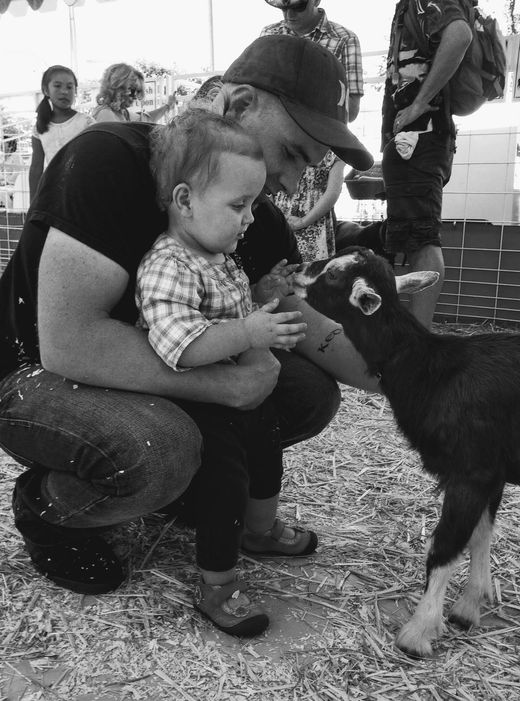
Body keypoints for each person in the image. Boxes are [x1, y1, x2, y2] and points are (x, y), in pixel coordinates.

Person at [0, 34, 375, 627]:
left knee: (306, 392)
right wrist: (223, 387)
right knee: (165, 445)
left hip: (142, 373)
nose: (290, 181)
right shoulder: (108, 160)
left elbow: (295, 322)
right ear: (240, 104)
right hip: (36, 375)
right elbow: (69, 342)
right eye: (294, 153)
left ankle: (182, 493)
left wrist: (414, 372)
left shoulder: (252, 212)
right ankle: (49, 509)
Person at [136, 108, 316, 634]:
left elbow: (228, 313)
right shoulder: (168, 263)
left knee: (267, 456)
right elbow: (180, 346)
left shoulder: (218, 255)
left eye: (253, 204)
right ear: (186, 201)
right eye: (239, 205)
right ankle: (218, 584)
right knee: (225, 484)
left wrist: (261, 296)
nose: (251, 218)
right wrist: (250, 333)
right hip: (200, 405)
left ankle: (259, 532)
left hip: (239, 396)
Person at [381, 0, 472, 328]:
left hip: (421, 137)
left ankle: (418, 339)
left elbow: (459, 34)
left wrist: (419, 104)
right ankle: (412, 333)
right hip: (414, 140)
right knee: (412, 235)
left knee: (421, 237)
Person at [261, 0, 363, 261]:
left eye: (297, 7)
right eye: (283, 9)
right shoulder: (270, 34)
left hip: (318, 145)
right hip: (275, 154)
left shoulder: (343, 39)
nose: (288, 15)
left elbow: (349, 110)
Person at [28, 65, 95, 202]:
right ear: (46, 90)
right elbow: (36, 168)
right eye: (57, 86)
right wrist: (33, 204)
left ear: (75, 91)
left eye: (70, 87)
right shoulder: (39, 128)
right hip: (54, 197)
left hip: (84, 194)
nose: (64, 92)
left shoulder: (87, 123)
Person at [92, 63, 175, 124]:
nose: (135, 96)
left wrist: (168, 106)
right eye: (132, 90)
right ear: (118, 88)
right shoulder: (105, 114)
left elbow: (147, 119)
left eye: (138, 91)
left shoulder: (123, 113)